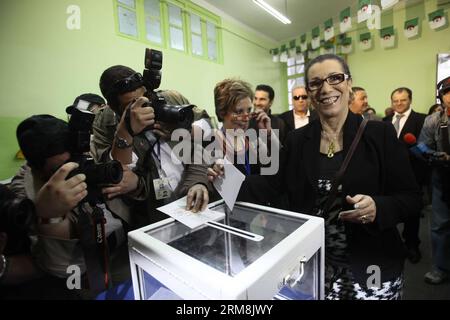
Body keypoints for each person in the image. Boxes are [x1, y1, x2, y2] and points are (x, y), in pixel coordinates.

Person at [209, 54, 422, 300]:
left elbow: (412, 198)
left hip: (372, 267)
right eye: (316, 83)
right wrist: (221, 179)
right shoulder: (298, 141)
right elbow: (270, 185)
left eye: (335, 78)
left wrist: (379, 207)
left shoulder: (380, 134)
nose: (326, 88)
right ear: (310, 93)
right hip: (316, 267)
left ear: (349, 83)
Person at [10, 115, 128, 298]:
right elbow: (55, 264)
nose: (76, 170)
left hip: (121, 252)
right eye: (63, 167)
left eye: (75, 160)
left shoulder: (85, 155)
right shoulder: (24, 194)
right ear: (38, 169)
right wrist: (50, 216)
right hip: (84, 272)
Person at [92, 65, 210, 226]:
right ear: (114, 107)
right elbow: (117, 174)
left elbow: (208, 126)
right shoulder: (104, 123)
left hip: (189, 192)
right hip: (150, 213)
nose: (144, 107)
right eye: (132, 105)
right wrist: (125, 130)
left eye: (144, 98)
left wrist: (184, 131)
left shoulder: (170, 98)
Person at [383, 87, 427, 263]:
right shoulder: (385, 121)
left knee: (412, 212)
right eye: (395, 100)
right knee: (388, 210)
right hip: (388, 175)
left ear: (410, 100)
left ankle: (412, 245)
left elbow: (424, 148)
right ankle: (393, 244)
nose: (399, 104)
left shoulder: (422, 119)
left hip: (412, 174)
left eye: (403, 100)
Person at [419, 75, 450, 284]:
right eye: (448, 92)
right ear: (441, 98)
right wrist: (434, 155)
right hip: (442, 179)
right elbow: (421, 145)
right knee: (439, 226)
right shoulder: (434, 120)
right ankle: (440, 267)